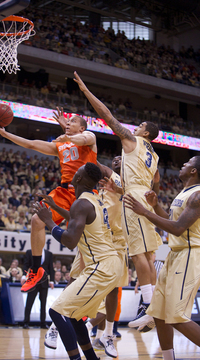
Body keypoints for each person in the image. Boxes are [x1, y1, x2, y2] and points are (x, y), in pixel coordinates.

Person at [74, 71, 161, 330]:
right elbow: (155, 180)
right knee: (147, 253)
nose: (137, 126)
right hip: (143, 194)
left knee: (138, 255)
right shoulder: (153, 155)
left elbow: (107, 116)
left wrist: (86, 92)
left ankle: (149, 307)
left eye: (141, 124)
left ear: (145, 131)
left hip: (134, 198)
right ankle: (151, 304)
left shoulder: (133, 140)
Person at [0, 107, 97, 293]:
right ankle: (36, 270)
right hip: (64, 192)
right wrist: (4, 134)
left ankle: (88, 298)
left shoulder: (88, 138)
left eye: (72, 121)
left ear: (81, 128)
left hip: (86, 195)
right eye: (67, 121)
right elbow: (31, 144)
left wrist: (68, 136)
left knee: (87, 249)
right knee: (37, 219)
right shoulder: (60, 145)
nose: (68, 122)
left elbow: (84, 138)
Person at [34, 162, 121, 360]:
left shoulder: (81, 203)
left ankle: (76, 358)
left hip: (101, 266)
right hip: (109, 263)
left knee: (57, 312)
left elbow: (70, 241)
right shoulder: (93, 199)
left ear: (79, 179)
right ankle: (91, 358)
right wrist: (55, 207)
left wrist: (49, 221)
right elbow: (78, 221)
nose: (74, 173)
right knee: (73, 315)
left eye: (77, 171)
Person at [123, 156, 200, 360]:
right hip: (176, 255)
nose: (182, 164)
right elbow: (171, 221)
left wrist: (144, 212)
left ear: (194, 171)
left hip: (190, 254)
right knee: (159, 315)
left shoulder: (197, 195)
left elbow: (176, 229)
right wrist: (155, 207)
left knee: (176, 316)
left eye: (187, 162)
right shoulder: (184, 193)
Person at [21, 248, 54, 329]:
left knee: (43, 303)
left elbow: (51, 268)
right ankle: (26, 322)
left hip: (44, 282)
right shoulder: (30, 252)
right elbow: (26, 264)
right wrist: (23, 275)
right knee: (29, 302)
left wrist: (52, 280)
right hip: (33, 281)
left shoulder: (49, 254)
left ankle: (43, 323)